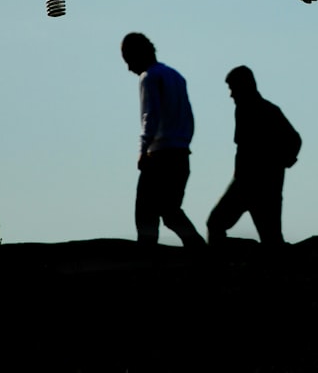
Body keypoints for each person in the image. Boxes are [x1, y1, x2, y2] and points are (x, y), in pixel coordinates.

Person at [121, 32, 205, 247]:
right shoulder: (176, 76)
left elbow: (150, 116)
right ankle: (197, 247)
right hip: (181, 154)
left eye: (129, 60)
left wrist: (143, 149)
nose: (129, 68)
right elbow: (189, 116)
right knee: (170, 210)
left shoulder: (149, 77)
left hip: (160, 155)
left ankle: (149, 258)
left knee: (145, 211)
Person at [207, 66, 301, 246]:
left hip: (252, 184)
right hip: (256, 184)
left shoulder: (259, 110)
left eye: (233, 89)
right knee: (271, 239)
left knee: (217, 223)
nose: (231, 95)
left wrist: (279, 164)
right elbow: (294, 140)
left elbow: (294, 140)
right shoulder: (258, 109)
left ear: (244, 86)